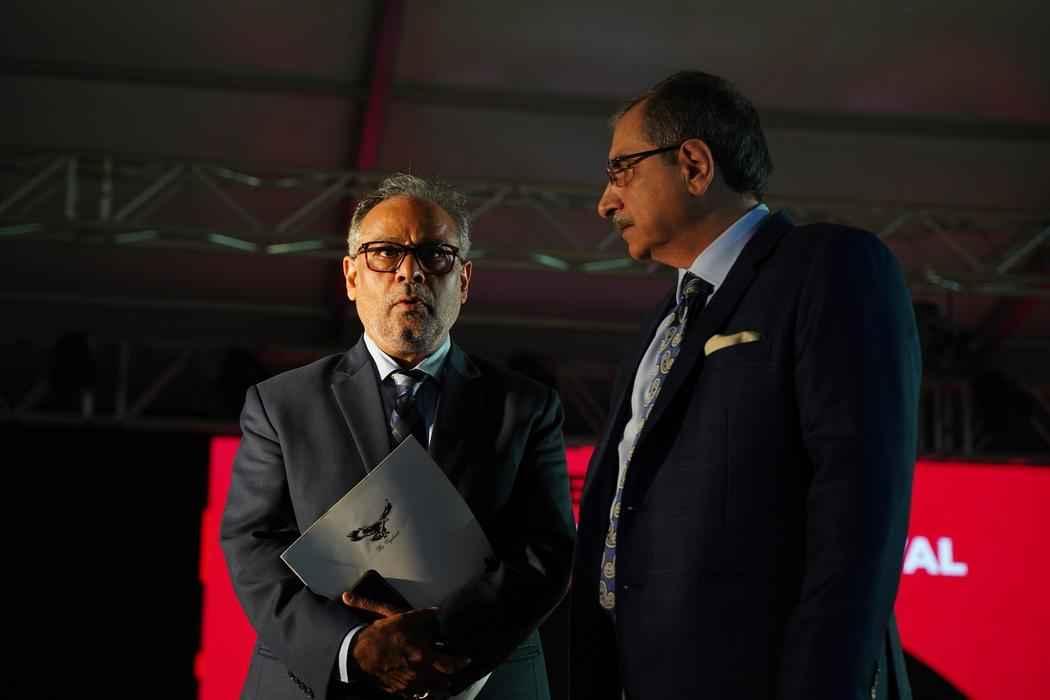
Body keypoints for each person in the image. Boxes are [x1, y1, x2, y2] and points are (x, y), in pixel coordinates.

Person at [570, 71, 921, 699]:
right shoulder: (665, 321)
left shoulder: (828, 266)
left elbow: (860, 507)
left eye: (621, 170)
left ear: (694, 165)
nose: (605, 202)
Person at [222, 174, 576, 700]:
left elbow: (545, 553)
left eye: (435, 255)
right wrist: (354, 647)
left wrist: (433, 643)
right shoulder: (280, 405)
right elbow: (252, 546)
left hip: (480, 680)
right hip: (320, 682)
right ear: (350, 276)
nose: (410, 272)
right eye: (385, 253)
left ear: (464, 280)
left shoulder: (526, 407)